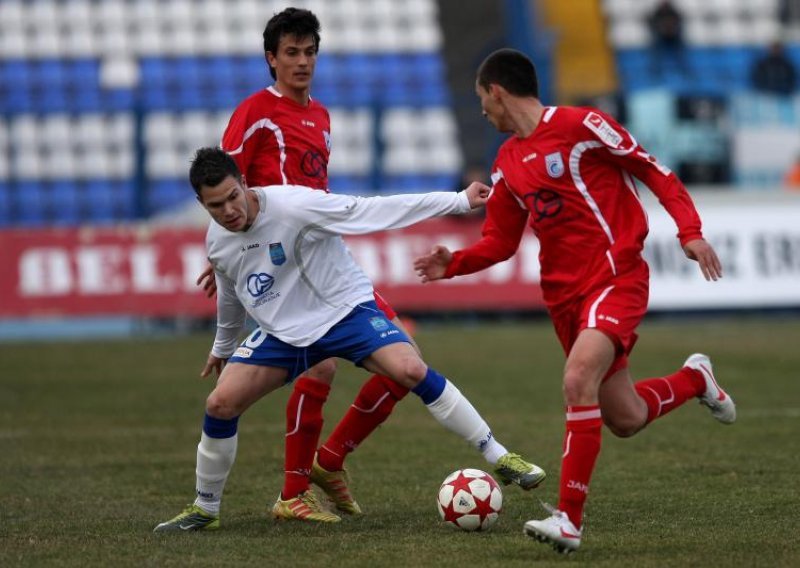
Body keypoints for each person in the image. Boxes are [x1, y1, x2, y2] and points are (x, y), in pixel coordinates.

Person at [191, 8, 544, 523]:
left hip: (324, 254)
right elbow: (223, 185)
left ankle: (325, 465)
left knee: (399, 365)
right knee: (331, 362)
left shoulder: (321, 116)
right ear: (271, 58)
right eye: (291, 52)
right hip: (284, 264)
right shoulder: (255, 113)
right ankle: (297, 489)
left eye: (310, 51)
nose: (302, 62)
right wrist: (222, 248)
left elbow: (335, 203)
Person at [413, 48, 736, 554]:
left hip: (616, 275)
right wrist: (452, 263)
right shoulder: (507, 163)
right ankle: (696, 378)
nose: (482, 111)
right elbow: (499, 242)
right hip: (564, 299)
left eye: (483, 100)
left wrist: (689, 231)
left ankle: (568, 519)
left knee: (577, 378)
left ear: (497, 91)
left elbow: (655, 171)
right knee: (624, 417)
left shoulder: (583, 125)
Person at [153, 147, 545, 532]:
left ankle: (500, 455)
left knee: (409, 368)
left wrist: (457, 201)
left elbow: (369, 211)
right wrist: (222, 347)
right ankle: (205, 509)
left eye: (232, 197)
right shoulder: (217, 240)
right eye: (215, 206)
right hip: (284, 334)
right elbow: (230, 290)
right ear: (202, 205)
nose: (228, 211)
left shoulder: (294, 207)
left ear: (244, 183)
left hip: (344, 312)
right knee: (220, 403)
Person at [646, 0, 688, 79]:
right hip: (661, 37)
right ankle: (654, 72)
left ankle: (684, 71)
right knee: (655, 52)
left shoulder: (674, 12)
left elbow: (680, 22)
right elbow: (651, 23)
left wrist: (672, 29)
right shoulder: (657, 13)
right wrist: (661, 29)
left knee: (680, 52)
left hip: (674, 36)